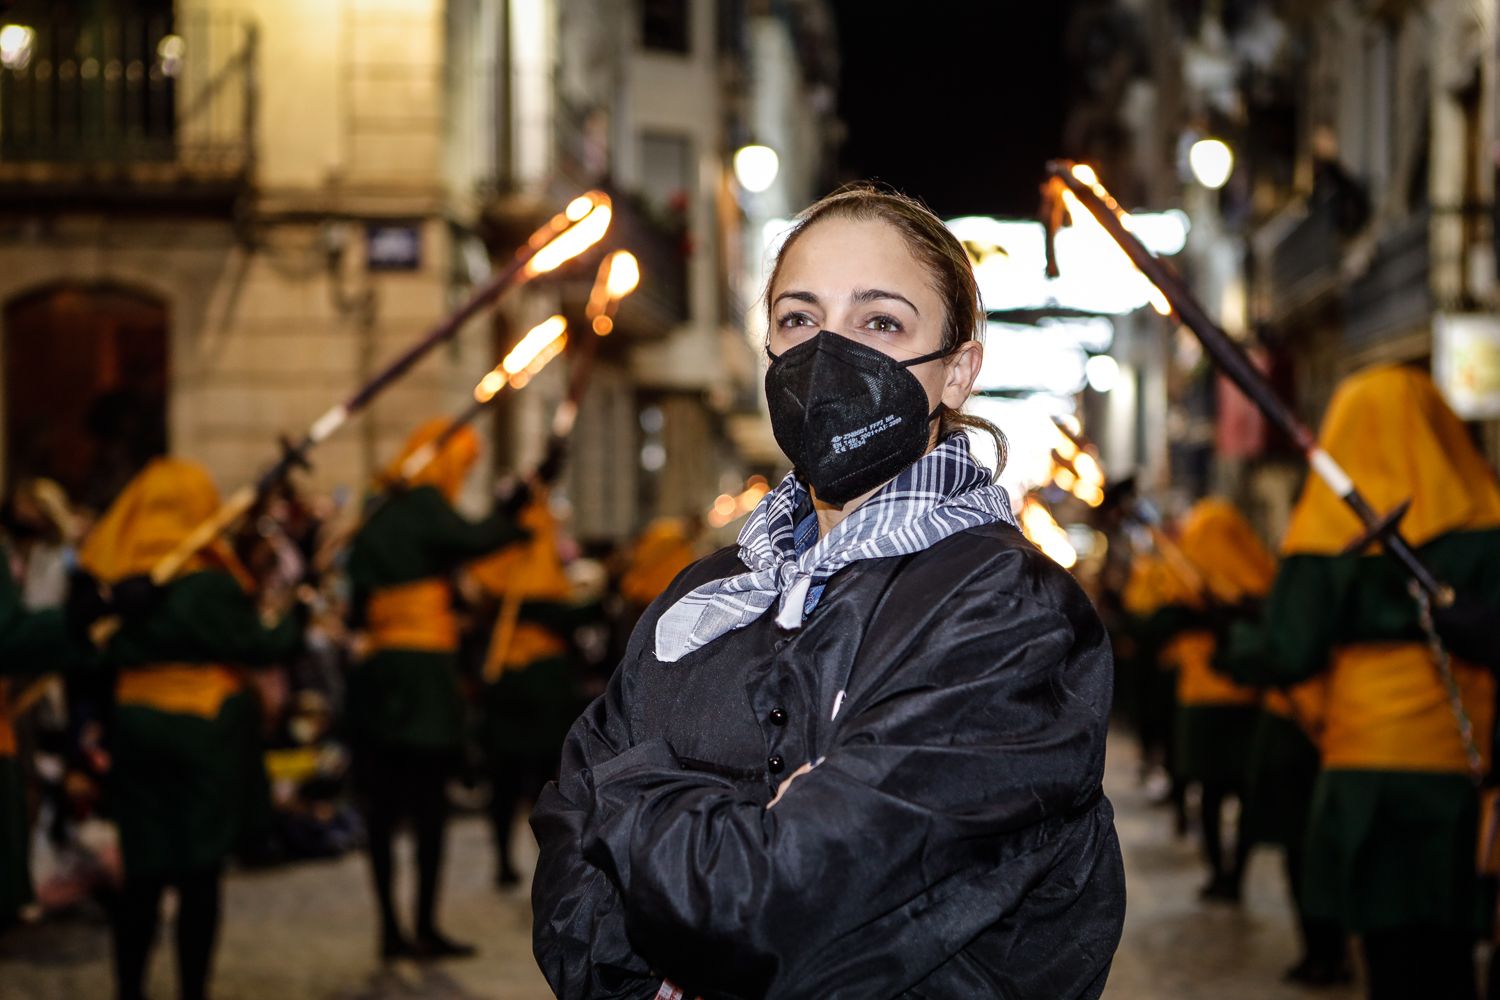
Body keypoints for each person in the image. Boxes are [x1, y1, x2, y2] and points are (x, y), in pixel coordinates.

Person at [531, 186, 1125, 999]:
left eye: (880, 322)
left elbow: (777, 902)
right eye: (798, 320)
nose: (826, 353)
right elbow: (566, 867)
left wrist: (629, 796)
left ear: (957, 371)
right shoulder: (704, 595)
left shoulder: (1008, 609)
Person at [1220, 364, 1500, 1000]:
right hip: (1462, 768)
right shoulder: (1489, 524)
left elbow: (1291, 650)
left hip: (1366, 769)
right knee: (1453, 957)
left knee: (1391, 960)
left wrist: (1238, 643)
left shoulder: (1324, 537)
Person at [79, 458, 305, 1000]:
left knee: (143, 872)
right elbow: (263, 645)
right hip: (205, 734)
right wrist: (296, 607)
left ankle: (129, 989)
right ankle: (191, 990)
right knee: (199, 873)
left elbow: (89, 651)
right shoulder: (207, 583)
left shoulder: (113, 577)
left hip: (134, 725)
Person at [345, 419, 527, 959]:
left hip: (375, 676)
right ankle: (422, 925)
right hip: (420, 676)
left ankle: (390, 928)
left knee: (380, 810)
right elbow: (475, 539)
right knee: (426, 809)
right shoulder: (423, 506)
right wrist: (513, 512)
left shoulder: (377, 509)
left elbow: (358, 600)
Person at [465, 489, 597, 888]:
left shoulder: (495, 563)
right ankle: (531, 860)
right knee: (535, 780)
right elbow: (551, 610)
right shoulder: (525, 556)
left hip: (519, 686)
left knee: (516, 781)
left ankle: (524, 860)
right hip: (530, 688)